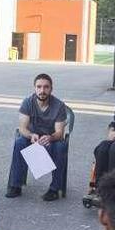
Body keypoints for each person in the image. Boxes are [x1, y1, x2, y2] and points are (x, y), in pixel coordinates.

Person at [6, 73, 69, 201]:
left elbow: (59, 133)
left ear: (51, 89)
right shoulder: (27, 102)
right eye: (39, 87)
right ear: (34, 88)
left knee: (61, 146)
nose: (42, 90)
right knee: (19, 142)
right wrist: (31, 135)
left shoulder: (59, 106)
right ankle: (16, 185)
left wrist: (49, 138)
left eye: (46, 87)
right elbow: (22, 128)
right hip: (32, 137)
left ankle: (54, 189)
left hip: (51, 139)